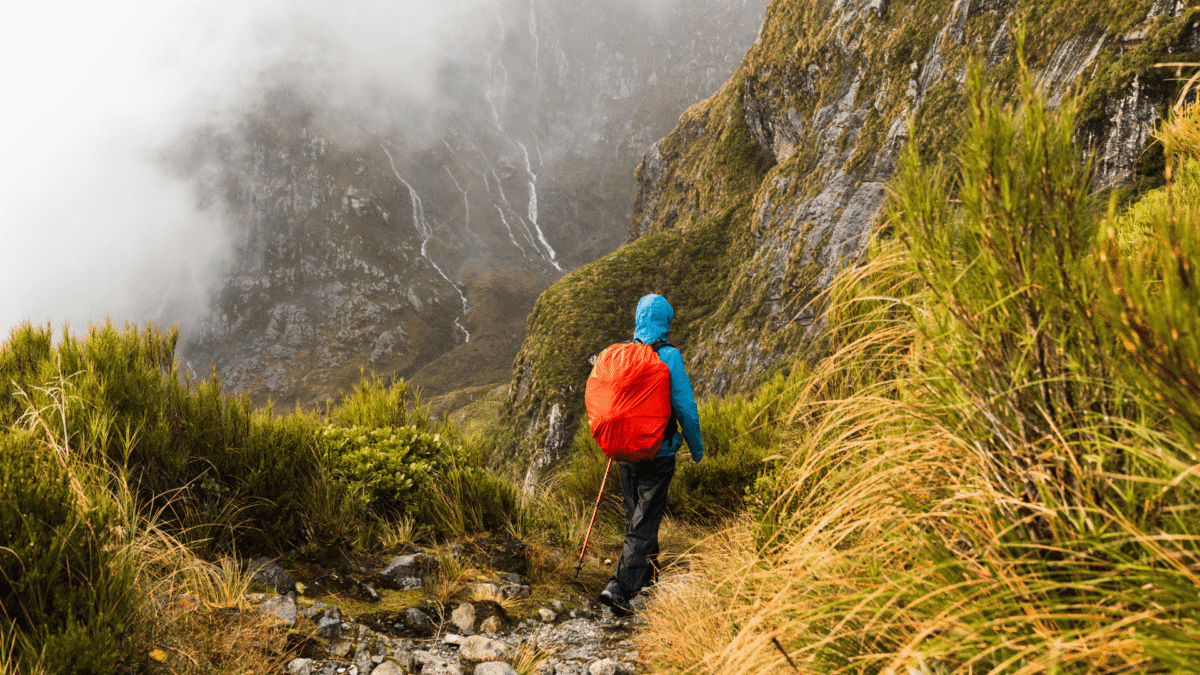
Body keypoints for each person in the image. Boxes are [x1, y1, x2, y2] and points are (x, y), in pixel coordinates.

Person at [599, 293, 704, 617]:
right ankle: (620, 589)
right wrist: (696, 446)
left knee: (636, 518)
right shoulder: (669, 356)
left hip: (625, 452)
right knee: (644, 522)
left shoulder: (623, 355)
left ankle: (647, 577)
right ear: (665, 322)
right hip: (658, 454)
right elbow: (684, 406)